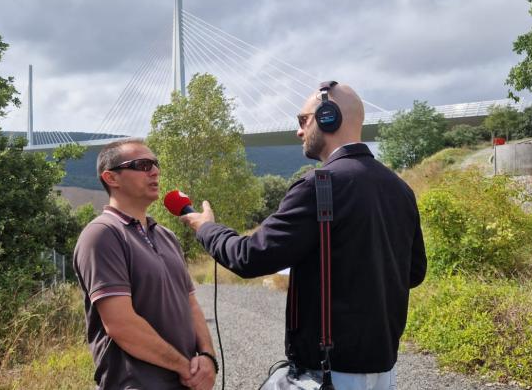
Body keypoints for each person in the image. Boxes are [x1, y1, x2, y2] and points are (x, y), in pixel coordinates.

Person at [180, 82, 427, 390]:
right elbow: (414, 273)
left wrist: (206, 229)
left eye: (302, 120)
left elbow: (249, 257)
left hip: (328, 376)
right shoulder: (400, 189)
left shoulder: (318, 185)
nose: (298, 131)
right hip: (383, 371)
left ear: (328, 117)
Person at [73, 139, 217, 390]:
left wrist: (207, 357)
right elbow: (121, 324)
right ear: (111, 178)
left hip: (184, 383)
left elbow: (190, 303)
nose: (155, 171)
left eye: (156, 164)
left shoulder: (166, 236)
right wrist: (186, 368)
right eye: (142, 164)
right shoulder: (102, 234)